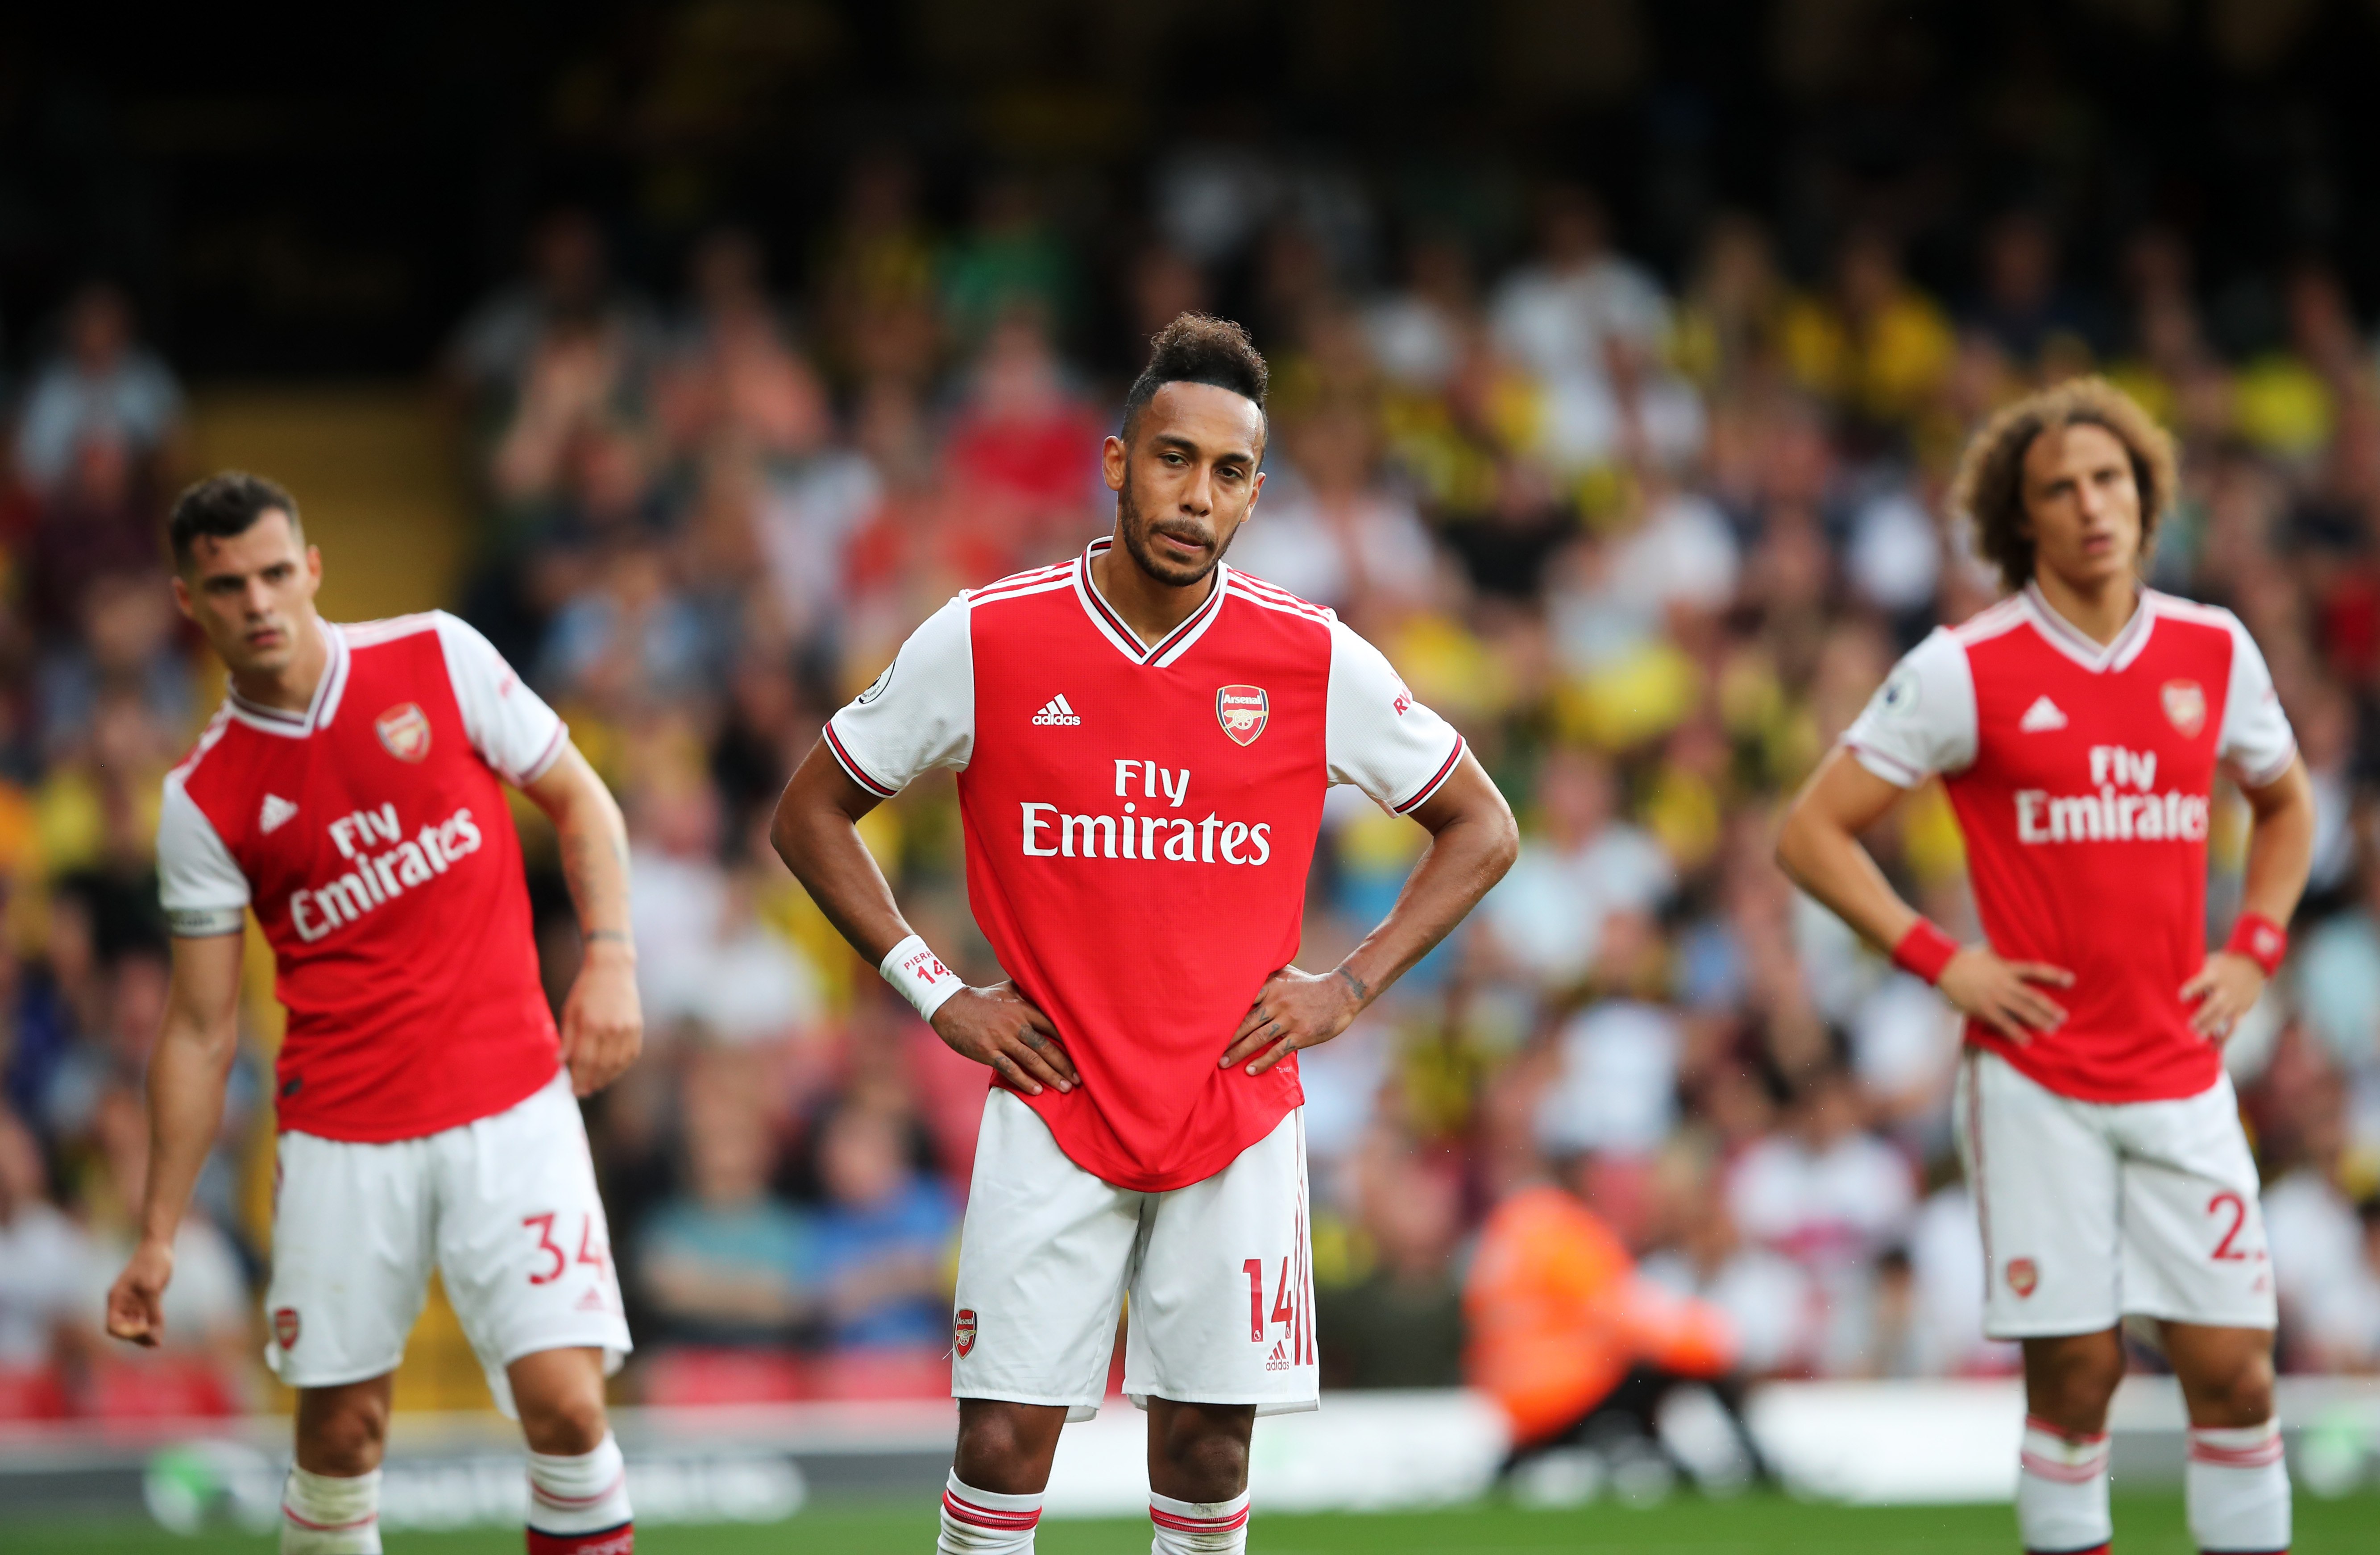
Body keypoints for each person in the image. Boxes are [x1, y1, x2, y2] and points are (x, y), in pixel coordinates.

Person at [772, 313, 1517, 1555]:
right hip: (1052, 1098)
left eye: (1228, 474)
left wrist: (1347, 988)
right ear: (1115, 461)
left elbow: (1480, 825)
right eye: (1173, 459)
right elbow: (810, 811)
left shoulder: (1307, 655)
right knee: (1002, 1442)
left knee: (1210, 1446)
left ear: (1254, 492)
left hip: (1231, 1107)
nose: (1197, 497)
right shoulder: (987, 635)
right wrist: (936, 990)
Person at [1776, 378, 2314, 1555]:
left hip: (2181, 1069)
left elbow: (2283, 803)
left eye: (2108, 478)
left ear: (2142, 493)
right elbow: (1809, 829)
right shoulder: (1963, 667)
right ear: (2020, 521)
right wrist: (1938, 957)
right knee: (2073, 1380)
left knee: (2233, 1375)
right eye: (2057, 489)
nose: (2088, 505)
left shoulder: (2208, 648)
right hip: (2037, 1079)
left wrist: (2252, 949)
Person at [101, 473, 646, 1555]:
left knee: (571, 1410)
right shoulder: (201, 799)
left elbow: (580, 794)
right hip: (344, 1132)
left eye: (270, 574)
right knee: (342, 1439)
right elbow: (203, 1029)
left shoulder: (437, 657)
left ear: (310, 569)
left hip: (513, 1101)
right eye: (225, 587)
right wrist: (159, 1232)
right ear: (189, 604)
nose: (255, 603)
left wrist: (614, 961)